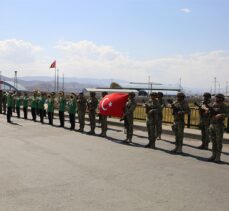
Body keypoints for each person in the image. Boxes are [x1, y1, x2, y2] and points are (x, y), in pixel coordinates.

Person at [208, 94, 228, 163]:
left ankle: (218, 156)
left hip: (219, 125)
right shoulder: (212, 104)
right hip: (212, 125)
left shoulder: (224, 106)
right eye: (216, 97)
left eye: (219, 98)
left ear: (222, 99)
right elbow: (208, 111)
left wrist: (221, 115)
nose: (217, 99)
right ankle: (213, 155)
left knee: (218, 141)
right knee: (213, 141)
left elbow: (227, 114)